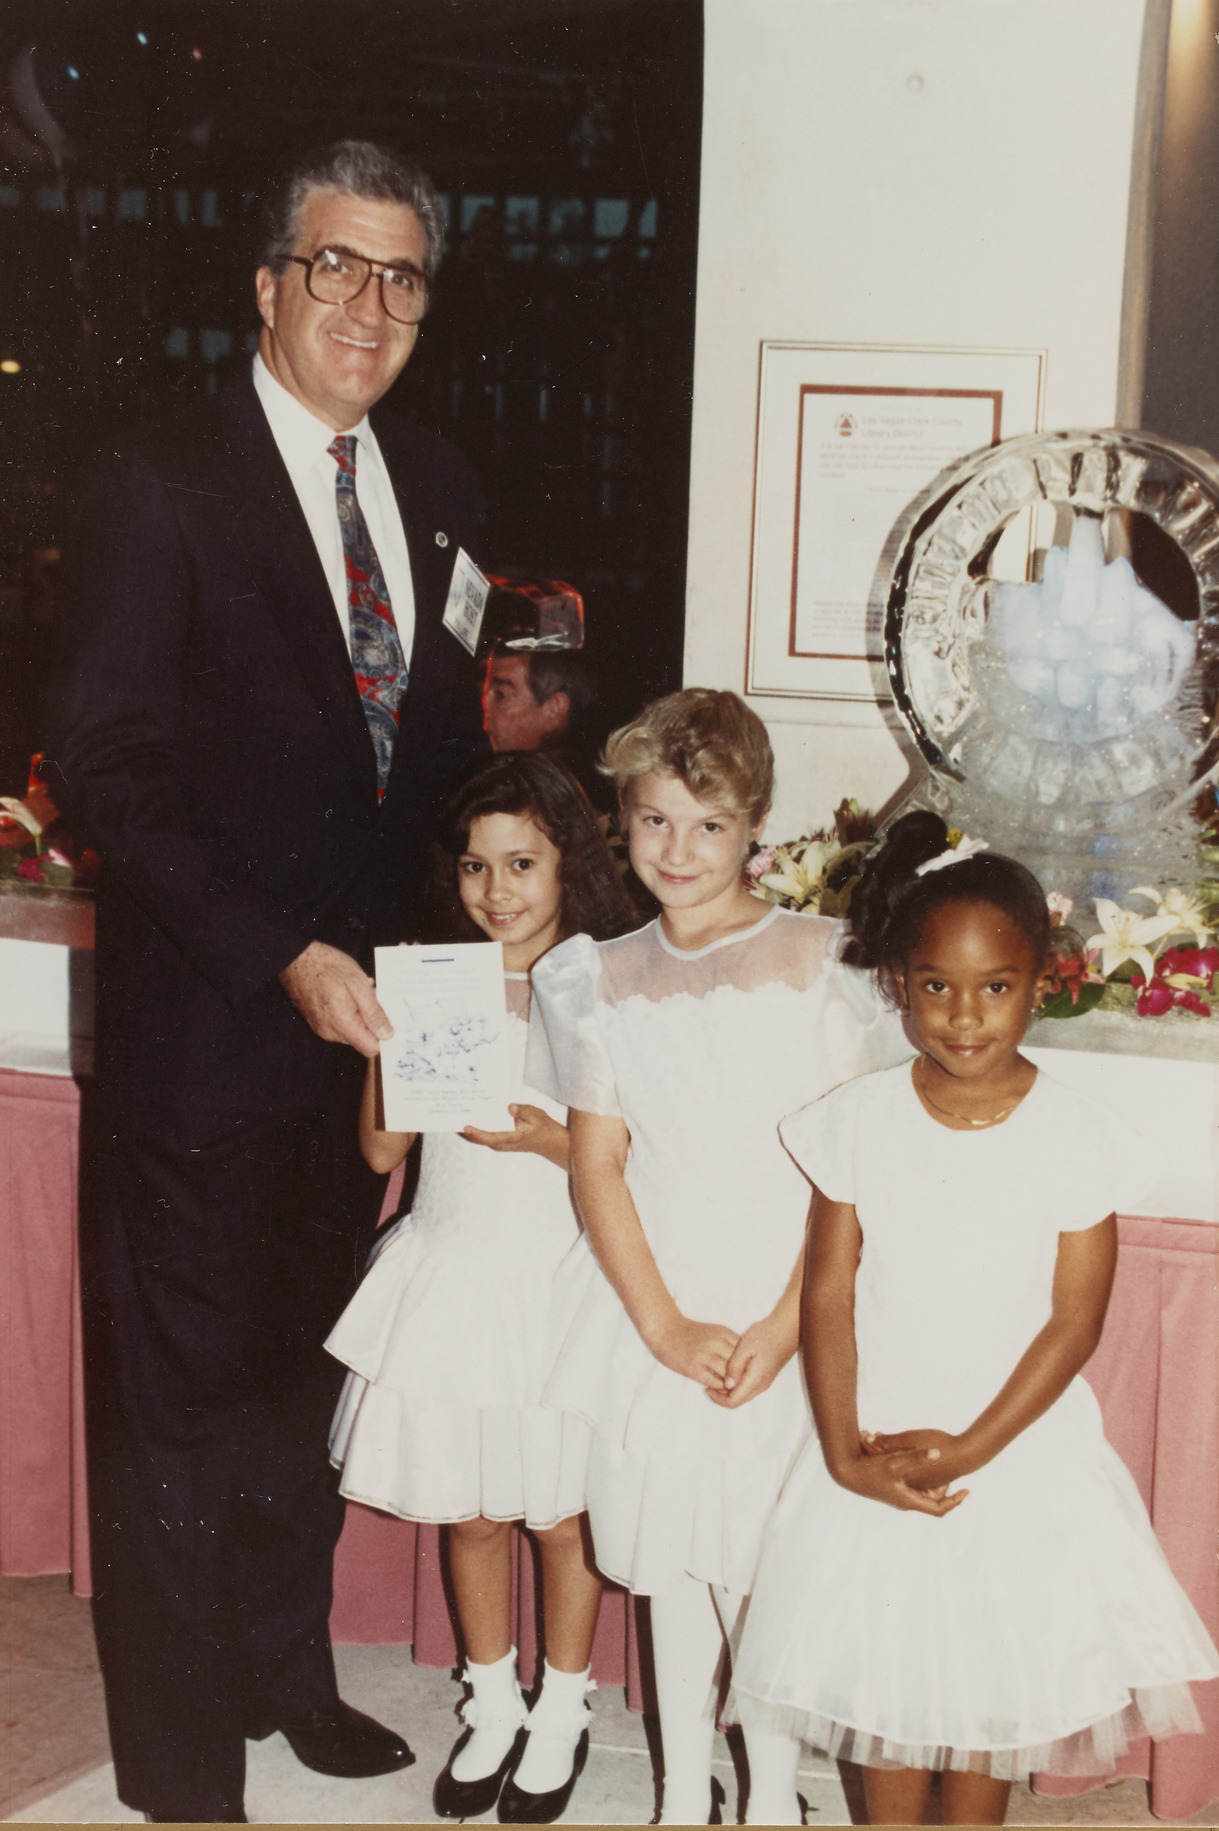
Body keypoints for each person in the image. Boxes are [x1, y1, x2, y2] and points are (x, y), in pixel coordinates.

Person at [46, 140, 487, 1823]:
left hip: (368, 1056)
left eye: (399, 275)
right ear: (265, 285)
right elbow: (109, 767)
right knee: (179, 1407)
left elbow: (434, 769)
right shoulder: (158, 477)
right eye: (333, 267)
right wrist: (279, 953)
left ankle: (282, 1675)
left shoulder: (435, 477)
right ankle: (175, 1767)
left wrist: (460, 988)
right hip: (208, 1039)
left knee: (308, 1380)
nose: (366, 305)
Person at [730, 812, 1219, 1827]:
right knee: (890, 1694)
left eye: (994, 986)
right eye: (936, 986)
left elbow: (1073, 1322)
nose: (963, 1015)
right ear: (898, 984)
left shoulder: (1075, 1133)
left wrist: (973, 1448)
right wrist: (844, 1451)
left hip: (1012, 1455)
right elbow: (829, 1293)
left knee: (990, 1698)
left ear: (1040, 981)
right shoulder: (858, 1118)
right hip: (878, 1442)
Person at [525, 688, 910, 1825]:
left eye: (706, 825)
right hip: (663, 1305)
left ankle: (771, 1791)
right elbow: (597, 1162)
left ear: (755, 829)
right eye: (652, 821)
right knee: (676, 1552)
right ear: (620, 822)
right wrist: (660, 1324)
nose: (677, 850)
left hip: (790, 1299)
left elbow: (850, 1166)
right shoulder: (590, 975)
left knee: (766, 1561)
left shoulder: (819, 961)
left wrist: (788, 1323)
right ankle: (684, 1787)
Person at [325, 753, 635, 1824]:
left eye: (521, 863)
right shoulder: (435, 980)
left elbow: (636, 1157)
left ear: (567, 867)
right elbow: (378, 1153)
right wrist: (385, 1047)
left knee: (555, 1512)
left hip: (552, 1279)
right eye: (475, 865)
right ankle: (492, 1697)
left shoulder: (598, 986)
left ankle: (564, 1707)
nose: (496, 889)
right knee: (468, 1508)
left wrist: (553, 1140)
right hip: (453, 1270)